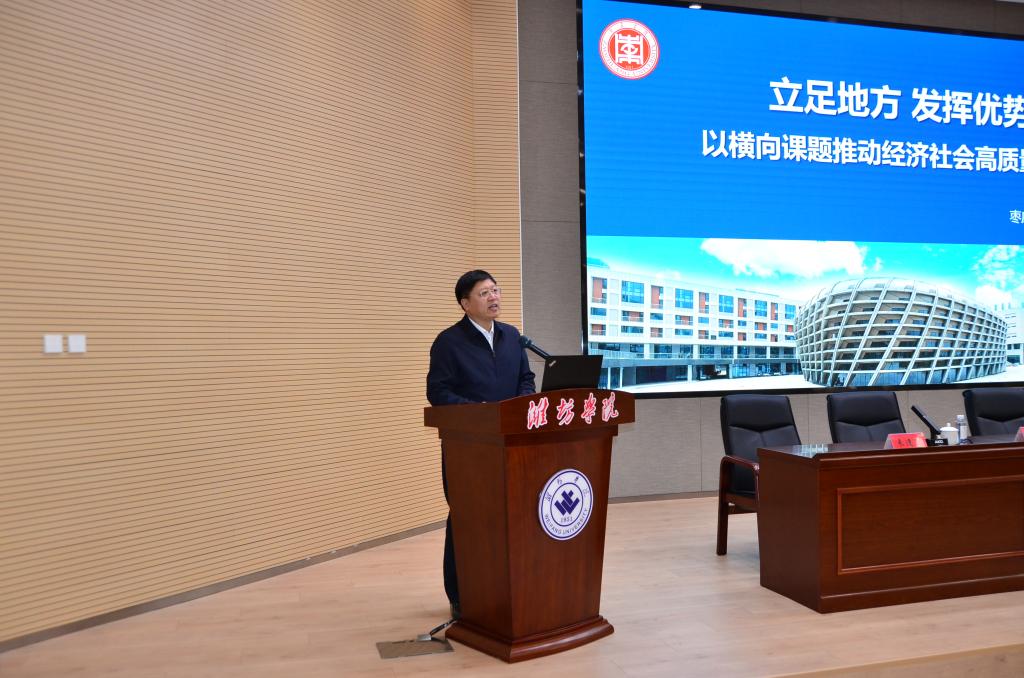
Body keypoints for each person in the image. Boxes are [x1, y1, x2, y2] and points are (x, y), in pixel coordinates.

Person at [426, 270, 536, 619]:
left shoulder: (512, 336)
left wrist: (520, 405)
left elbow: (526, 379)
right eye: (484, 293)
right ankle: (460, 594)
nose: (494, 297)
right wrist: (480, 412)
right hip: (468, 447)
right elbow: (438, 392)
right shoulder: (449, 342)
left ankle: (503, 591)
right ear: (465, 303)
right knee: (466, 516)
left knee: (509, 516)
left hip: (511, 443)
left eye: (496, 290)